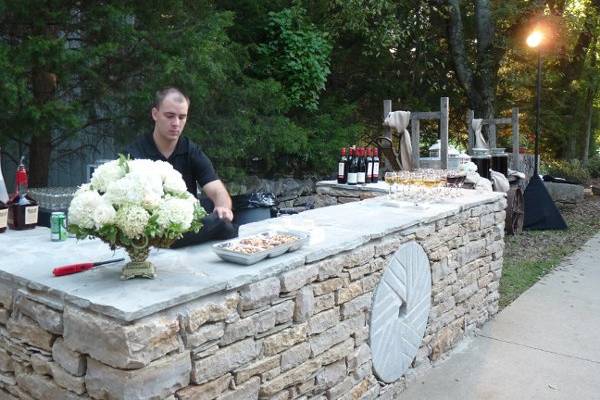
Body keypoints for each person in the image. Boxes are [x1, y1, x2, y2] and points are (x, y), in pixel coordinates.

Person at [125, 87, 237, 247]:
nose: (176, 123)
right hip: (151, 232)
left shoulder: (190, 150)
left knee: (223, 221)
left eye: (182, 117)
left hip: (188, 225)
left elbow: (217, 189)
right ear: (155, 114)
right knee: (224, 228)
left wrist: (223, 207)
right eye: (169, 116)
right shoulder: (135, 153)